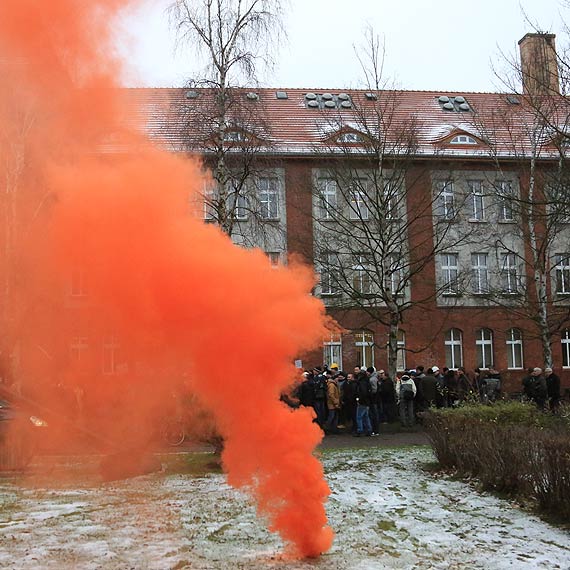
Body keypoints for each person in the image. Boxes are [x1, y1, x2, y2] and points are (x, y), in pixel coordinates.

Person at [354, 369, 373, 436]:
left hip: (362, 401)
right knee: (366, 416)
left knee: (359, 417)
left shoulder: (362, 382)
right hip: (367, 401)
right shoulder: (367, 381)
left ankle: (360, 430)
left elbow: (362, 392)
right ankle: (369, 430)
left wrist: (359, 399)